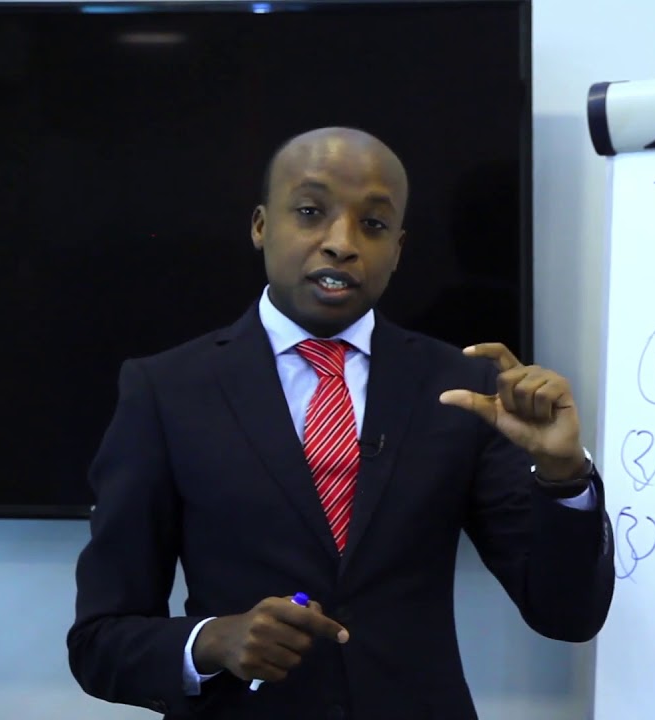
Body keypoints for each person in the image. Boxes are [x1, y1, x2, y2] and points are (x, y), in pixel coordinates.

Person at [66, 127, 615, 720]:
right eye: (310, 212)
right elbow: (100, 640)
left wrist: (563, 475)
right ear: (260, 225)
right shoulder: (166, 390)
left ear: (398, 249)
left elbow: (567, 614)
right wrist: (211, 642)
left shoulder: (464, 387)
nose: (341, 244)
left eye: (373, 224)